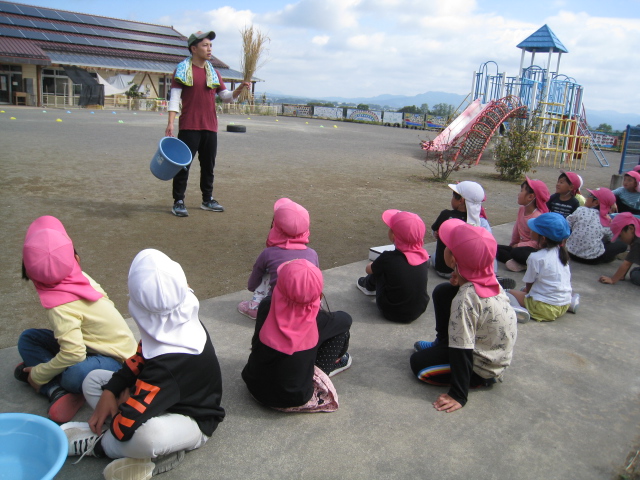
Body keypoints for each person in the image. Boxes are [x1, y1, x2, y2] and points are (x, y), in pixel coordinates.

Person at [61, 249, 225, 478]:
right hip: (160, 395)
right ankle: (137, 448)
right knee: (94, 379)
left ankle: (99, 445)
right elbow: (140, 357)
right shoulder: (179, 319)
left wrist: (124, 407)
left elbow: (125, 426)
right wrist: (110, 391)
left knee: (149, 437)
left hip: (193, 419)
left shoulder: (167, 364)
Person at [15, 216, 136, 424]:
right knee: (29, 338)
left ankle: (53, 387)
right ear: (75, 260)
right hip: (92, 346)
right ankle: (53, 380)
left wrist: (39, 374)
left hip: (117, 360)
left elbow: (74, 353)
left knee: (73, 375)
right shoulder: (82, 276)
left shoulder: (59, 306)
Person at [410, 219, 517, 413]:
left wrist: (458, 394)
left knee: (418, 364)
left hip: (482, 366)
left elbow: (462, 348)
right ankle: (442, 343)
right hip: (488, 348)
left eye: (448, 247)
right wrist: (459, 278)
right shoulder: (487, 278)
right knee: (443, 291)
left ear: (453, 260)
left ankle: (479, 380)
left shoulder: (466, 298)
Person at [242, 259, 352, 412]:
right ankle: (332, 366)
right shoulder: (321, 320)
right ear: (319, 294)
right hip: (294, 398)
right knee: (341, 333)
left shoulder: (267, 305)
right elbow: (346, 319)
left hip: (254, 385)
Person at [165, 30, 250, 217]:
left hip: (210, 126)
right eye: (205, 45)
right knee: (183, 166)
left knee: (208, 166)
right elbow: (174, 99)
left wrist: (239, 89)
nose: (209, 49)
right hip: (189, 126)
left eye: (211, 45)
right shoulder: (182, 70)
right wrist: (170, 122)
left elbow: (226, 97)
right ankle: (178, 201)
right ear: (194, 49)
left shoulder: (214, 72)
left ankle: (207, 199)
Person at [237, 198, 319, 319]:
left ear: (275, 226)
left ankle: (255, 307)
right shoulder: (312, 254)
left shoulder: (268, 253)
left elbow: (254, 280)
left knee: (266, 273)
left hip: (276, 305)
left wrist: (252, 287)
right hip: (305, 307)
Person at [356, 209, 430, 323]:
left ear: (394, 235)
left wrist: (374, 264)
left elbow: (368, 270)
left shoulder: (388, 257)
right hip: (418, 310)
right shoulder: (424, 257)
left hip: (390, 311)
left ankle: (367, 286)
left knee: (379, 269)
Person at [505, 213, 577, 322]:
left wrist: (524, 294)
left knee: (506, 293)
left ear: (543, 238)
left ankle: (519, 310)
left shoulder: (536, 257)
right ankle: (572, 303)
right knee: (523, 290)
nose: (531, 230)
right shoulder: (561, 253)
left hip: (543, 308)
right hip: (563, 304)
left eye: (534, 229)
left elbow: (529, 287)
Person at [430, 181, 490, 277]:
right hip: (466, 273)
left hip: (444, 270)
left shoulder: (445, 215)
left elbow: (434, 231)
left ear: (461, 200)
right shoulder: (481, 223)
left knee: (433, 256)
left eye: (453, 197)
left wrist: (437, 233)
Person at [496, 177, 550, 272]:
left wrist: (519, 245)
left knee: (517, 252)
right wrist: (513, 244)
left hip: (533, 250)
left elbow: (538, 243)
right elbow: (517, 229)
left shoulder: (537, 217)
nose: (519, 194)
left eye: (521, 191)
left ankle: (521, 262)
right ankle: (513, 262)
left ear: (530, 197)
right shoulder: (522, 209)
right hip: (519, 247)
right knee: (494, 248)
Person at [566, 187, 627, 264]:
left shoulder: (581, 210)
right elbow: (611, 238)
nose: (587, 197)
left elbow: (567, 223)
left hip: (570, 253)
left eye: (590, 195)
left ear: (596, 202)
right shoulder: (606, 220)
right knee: (622, 244)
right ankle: (608, 258)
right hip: (591, 259)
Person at [599, 213, 640, 286]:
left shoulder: (638, 241)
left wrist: (613, 280)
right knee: (635, 271)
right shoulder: (636, 237)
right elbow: (630, 258)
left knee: (635, 275)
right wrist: (622, 275)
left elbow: (627, 263)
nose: (621, 239)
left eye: (620, 236)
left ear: (631, 229)